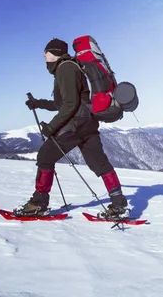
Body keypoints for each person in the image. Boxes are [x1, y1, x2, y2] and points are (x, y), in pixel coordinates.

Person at [15, 38, 128, 217]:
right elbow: (64, 103)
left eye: (47, 52)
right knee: (99, 163)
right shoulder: (70, 67)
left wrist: (51, 127)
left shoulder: (65, 69)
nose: (44, 55)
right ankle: (118, 202)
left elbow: (71, 104)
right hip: (87, 123)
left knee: (45, 156)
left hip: (75, 125)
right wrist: (39, 103)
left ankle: (38, 203)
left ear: (55, 53)